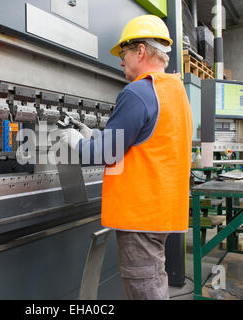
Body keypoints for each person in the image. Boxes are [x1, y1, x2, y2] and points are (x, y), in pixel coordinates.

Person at [60, 15, 193, 300]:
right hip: (162, 212)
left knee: (145, 290)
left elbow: (108, 152)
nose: (121, 61)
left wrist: (74, 142)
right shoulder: (174, 91)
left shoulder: (138, 92)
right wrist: (93, 133)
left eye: (123, 54)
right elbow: (142, 141)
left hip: (140, 217)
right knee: (153, 282)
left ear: (141, 51)